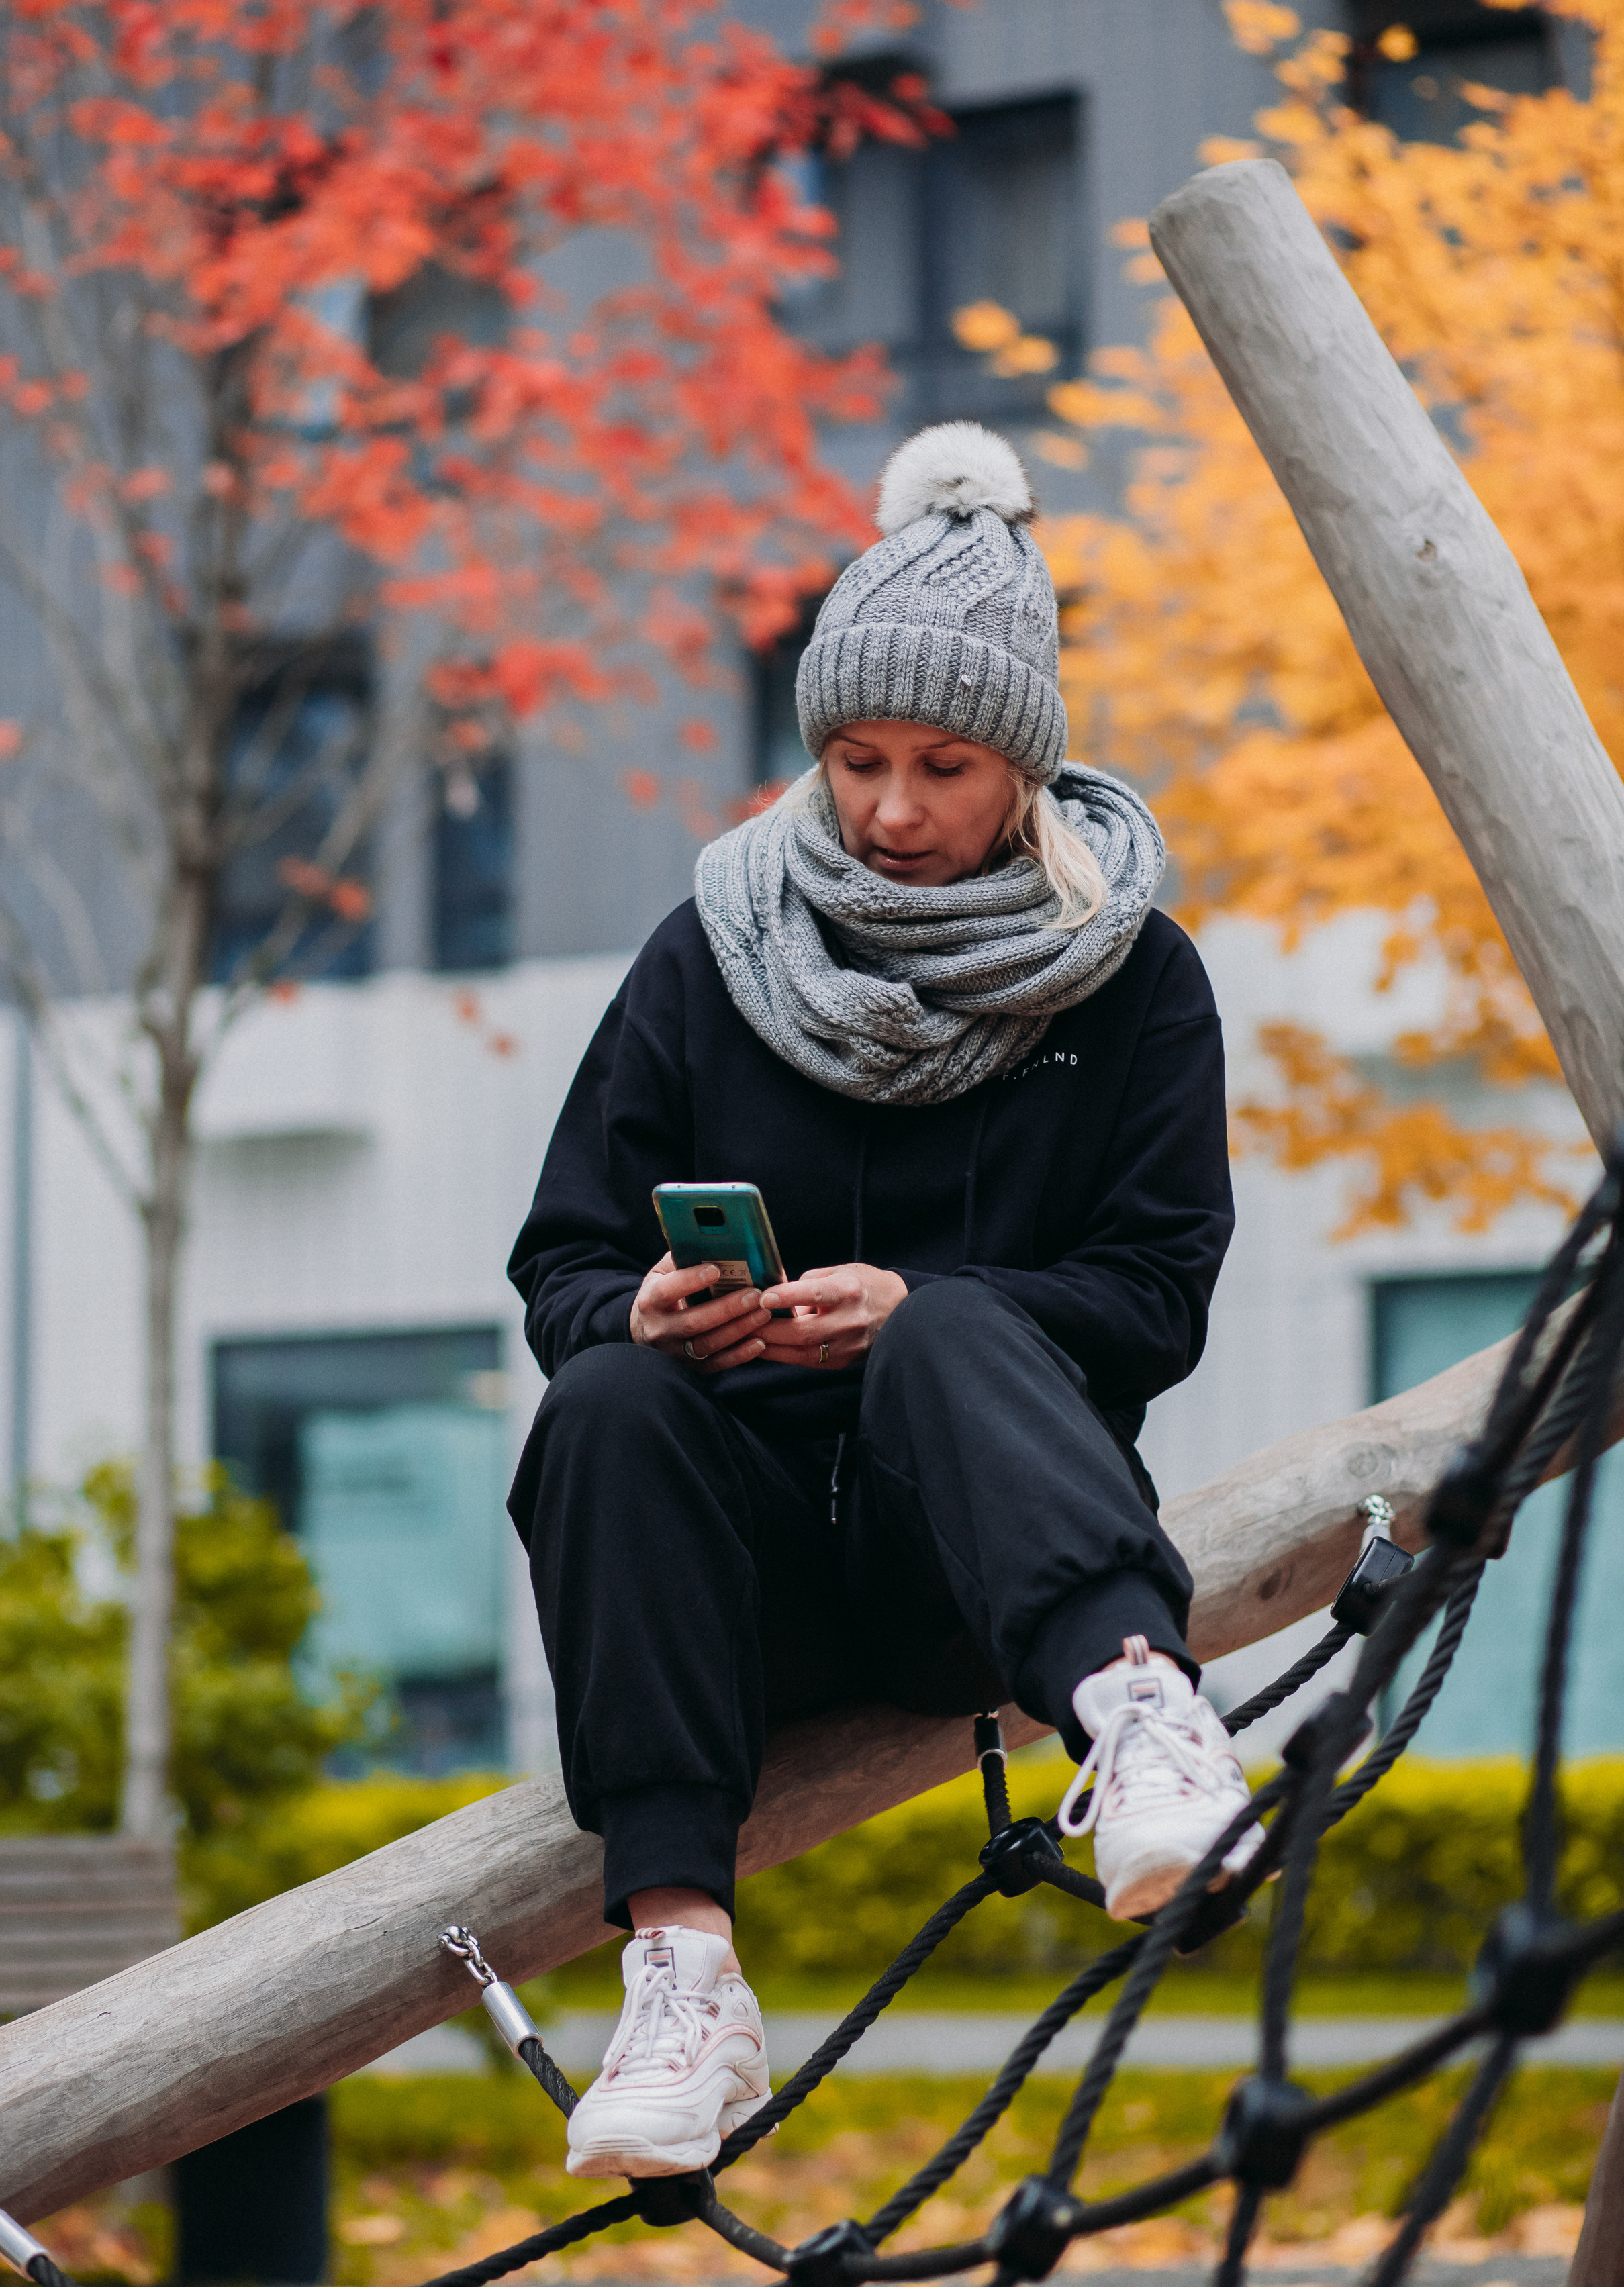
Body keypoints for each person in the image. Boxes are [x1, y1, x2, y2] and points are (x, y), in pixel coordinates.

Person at [508, 421, 1257, 2182]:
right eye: (854, 760)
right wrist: (642, 1320)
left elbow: (1156, 1300)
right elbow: (563, 1260)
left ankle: (1149, 1727)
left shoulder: (1138, 983)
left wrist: (919, 1305)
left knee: (953, 1323)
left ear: (1024, 768)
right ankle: (683, 1978)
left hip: (975, 1583)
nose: (893, 812)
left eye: (941, 767)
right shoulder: (712, 951)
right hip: (733, 1597)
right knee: (604, 1399)